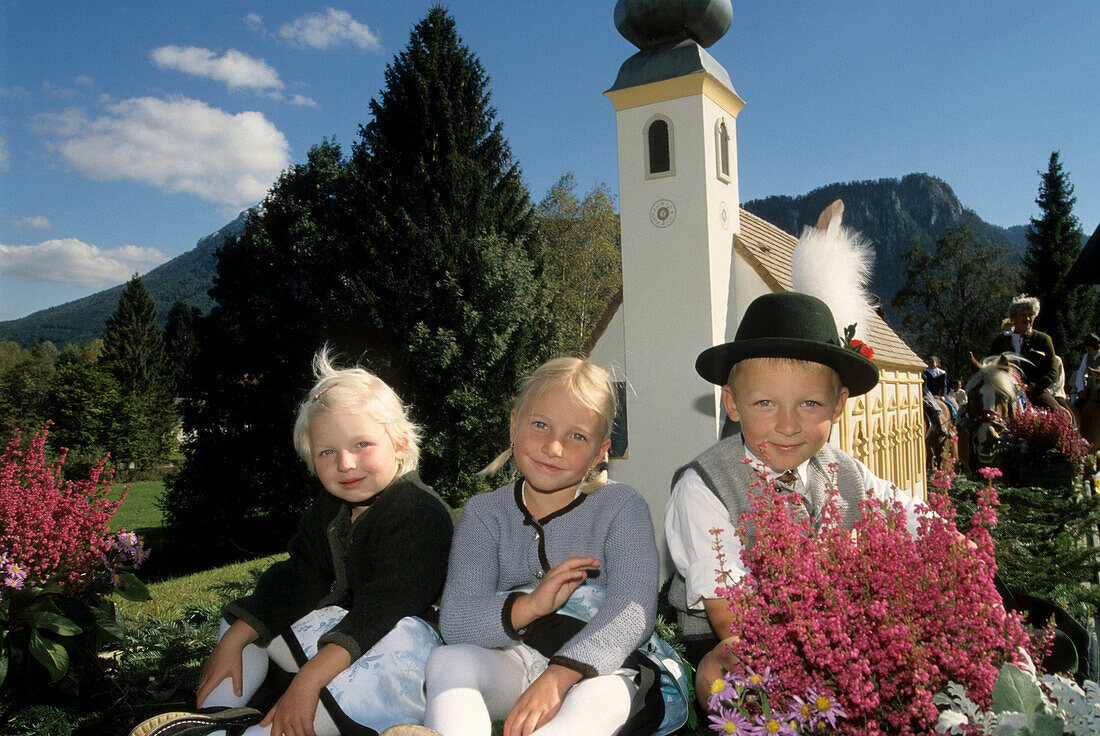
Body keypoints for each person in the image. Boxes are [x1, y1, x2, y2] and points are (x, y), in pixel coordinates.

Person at [128, 348, 454, 736]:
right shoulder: (329, 508)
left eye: (361, 445)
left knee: (379, 649)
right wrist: (233, 639)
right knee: (247, 622)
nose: (345, 464)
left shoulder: (420, 512)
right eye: (327, 452)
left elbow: (383, 610)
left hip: (399, 653)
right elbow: (299, 578)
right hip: (343, 642)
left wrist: (308, 680)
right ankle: (217, 716)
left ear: (399, 445)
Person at [663, 291, 924, 709]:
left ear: (838, 405)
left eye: (809, 404)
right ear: (733, 403)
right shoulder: (703, 487)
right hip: (736, 641)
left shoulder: (848, 474)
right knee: (728, 672)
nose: (787, 425)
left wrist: (952, 544)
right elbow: (732, 616)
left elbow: (913, 517)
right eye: (765, 403)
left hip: (835, 637)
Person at [419, 358, 687, 736]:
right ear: (514, 425)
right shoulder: (484, 514)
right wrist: (530, 606)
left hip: (603, 666)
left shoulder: (621, 507)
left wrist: (560, 675)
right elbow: (457, 619)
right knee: (449, 661)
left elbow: (633, 613)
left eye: (577, 436)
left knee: (601, 699)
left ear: (600, 451)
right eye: (540, 425)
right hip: (514, 659)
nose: (553, 446)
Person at [989, 294, 1067, 417]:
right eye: (1023, 315)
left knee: (1062, 415)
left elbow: (1052, 372)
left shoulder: (1043, 339)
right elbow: (990, 367)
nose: (1028, 319)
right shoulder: (1000, 341)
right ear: (1013, 318)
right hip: (1004, 393)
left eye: (1030, 315)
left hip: (1036, 393)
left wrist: (1032, 387)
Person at [1072, 333, 1100, 409]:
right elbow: (1080, 373)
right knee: (1077, 406)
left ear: (1090, 347)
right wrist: (1081, 389)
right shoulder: (1086, 357)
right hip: (1090, 389)